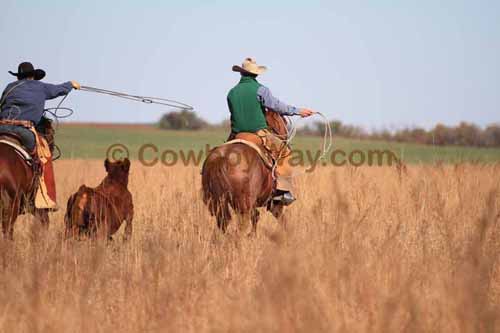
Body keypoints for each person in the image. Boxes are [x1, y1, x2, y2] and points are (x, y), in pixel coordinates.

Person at [227, 57, 314, 205]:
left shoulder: (232, 92)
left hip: (236, 135)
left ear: (241, 73)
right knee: (285, 152)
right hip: (258, 134)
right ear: (256, 74)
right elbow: (277, 107)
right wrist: (298, 111)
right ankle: (281, 192)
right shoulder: (261, 90)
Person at [0, 62, 80, 209]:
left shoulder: (10, 87)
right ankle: (42, 199)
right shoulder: (40, 87)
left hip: (2, 128)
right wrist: (71, 84)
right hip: (24, 131)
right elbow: (58, 90)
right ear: (33, 76)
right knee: (43, 157)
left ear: (18, 77)